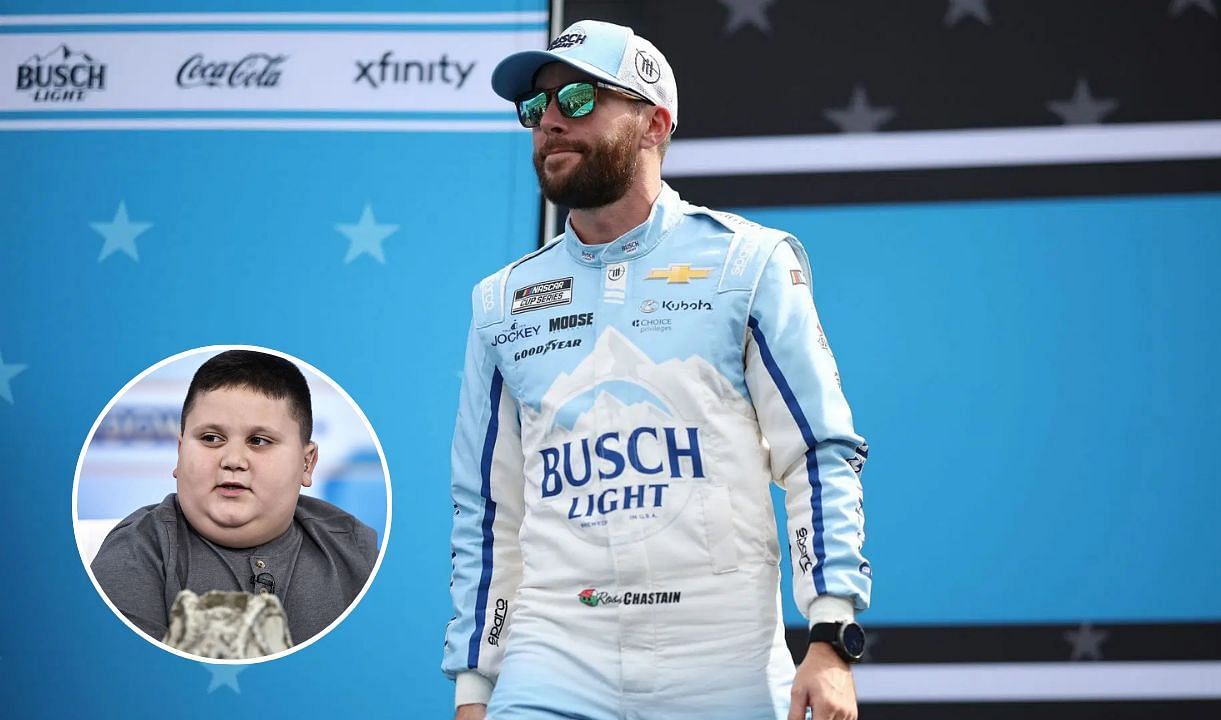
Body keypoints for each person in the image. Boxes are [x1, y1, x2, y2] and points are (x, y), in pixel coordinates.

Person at [443, 20, 871, 720]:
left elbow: (818, 453)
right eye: (535, 108)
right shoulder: (501, 302)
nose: (549, 120)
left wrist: (830, 635)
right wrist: (474, 688)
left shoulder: (751, 262)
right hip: (554, 660)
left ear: (654, 124)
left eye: (577, 99)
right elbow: (490, 509)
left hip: (721, 659)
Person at [91, 350, 378, 653]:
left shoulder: (357, 550)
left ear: (306, 464)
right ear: (179, 453)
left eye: (259, 441)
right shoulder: (138, 551)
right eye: (211, 438)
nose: (232, 460)